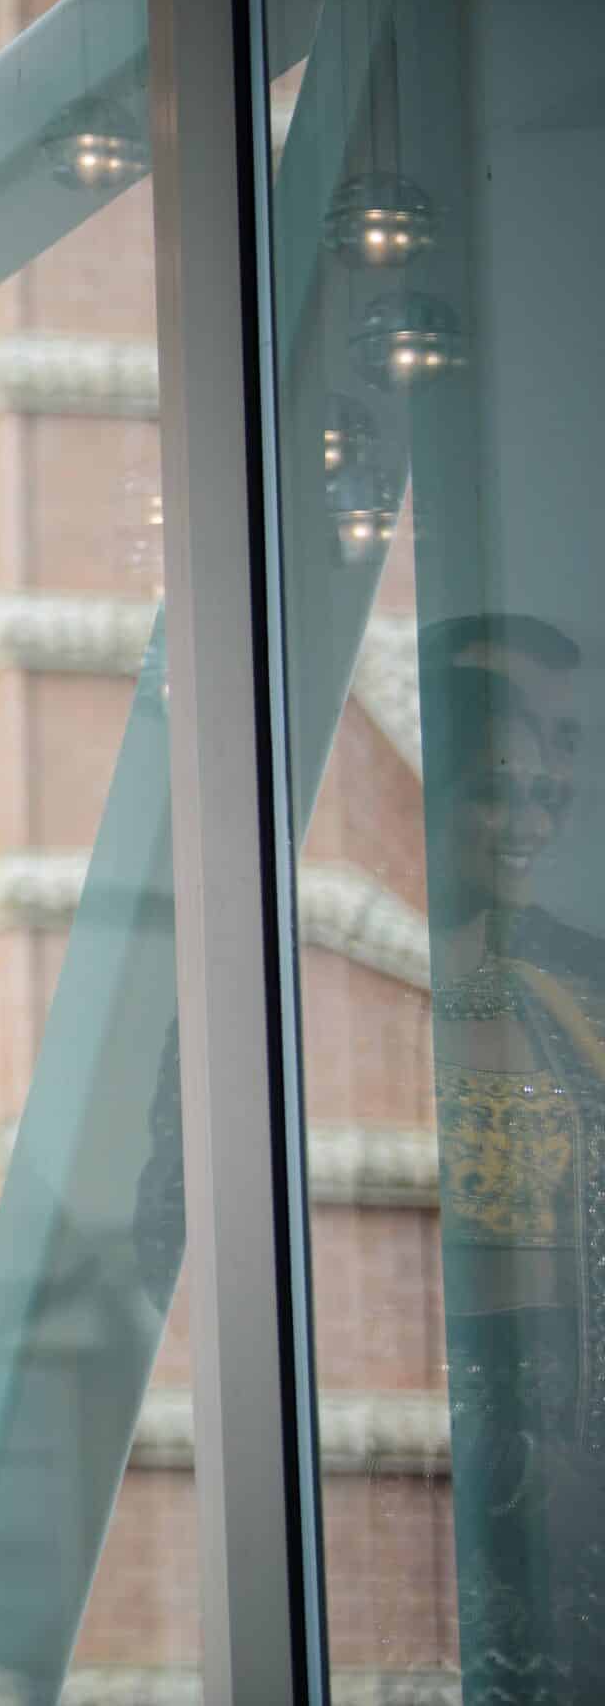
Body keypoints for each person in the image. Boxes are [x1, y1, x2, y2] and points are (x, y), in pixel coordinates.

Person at [419, 613, 603, 1701]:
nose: (539, 776)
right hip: (402, 1473)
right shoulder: (309, 989)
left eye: (563, 741)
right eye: (503, 736)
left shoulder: (578, 988)